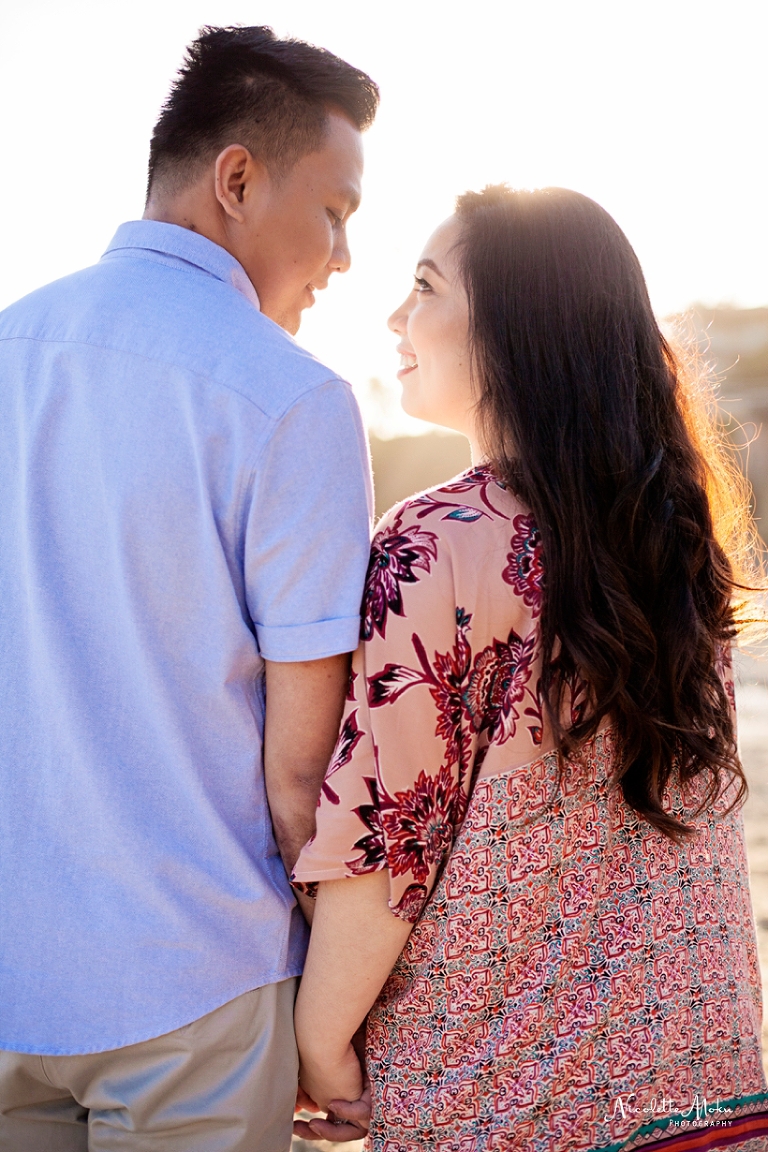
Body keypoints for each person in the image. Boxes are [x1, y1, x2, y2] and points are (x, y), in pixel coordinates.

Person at [291, 186, 768, 1150]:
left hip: (499, 1095)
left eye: (424, 287)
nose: (394, 317)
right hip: (698, 1075)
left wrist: (319, 1038)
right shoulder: (676, 536)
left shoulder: (437, 542)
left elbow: (391, 837)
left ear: (515, 326)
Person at [0, 25, 378, 1152]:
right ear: (236, 179)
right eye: (337, 211)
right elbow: (302, 776)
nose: (345, 256)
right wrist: (327, 1017)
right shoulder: (293, 398)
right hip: (195, 987)